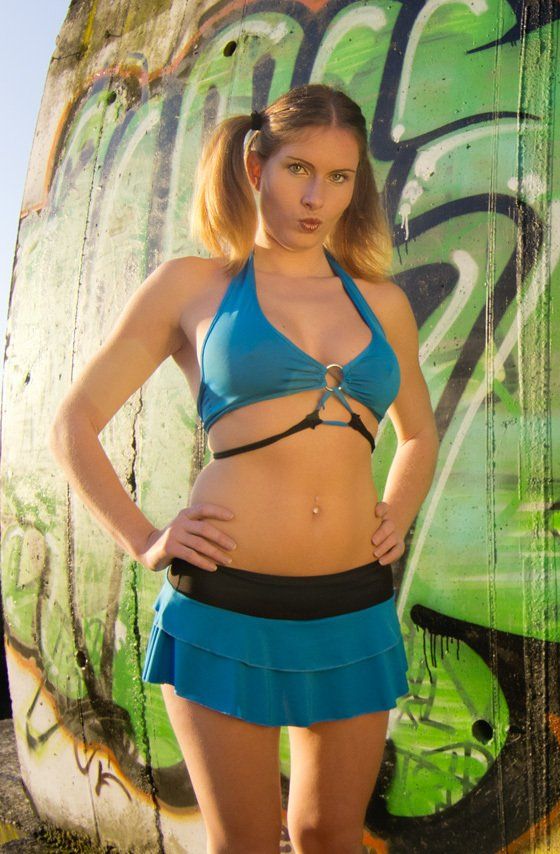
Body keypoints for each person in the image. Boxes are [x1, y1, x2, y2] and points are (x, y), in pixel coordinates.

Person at [48, 83, 438, 852]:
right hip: (225, 606)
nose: (316, 196)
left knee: (331, 834)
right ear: (255, 163)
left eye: (339, 177)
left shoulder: (380, 303)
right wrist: (146, 539)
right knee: (246, 845)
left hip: (353, 608)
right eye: (298, 168)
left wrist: (395, 511)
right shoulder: (194, 287)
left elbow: (418, 434)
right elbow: (73, 426)